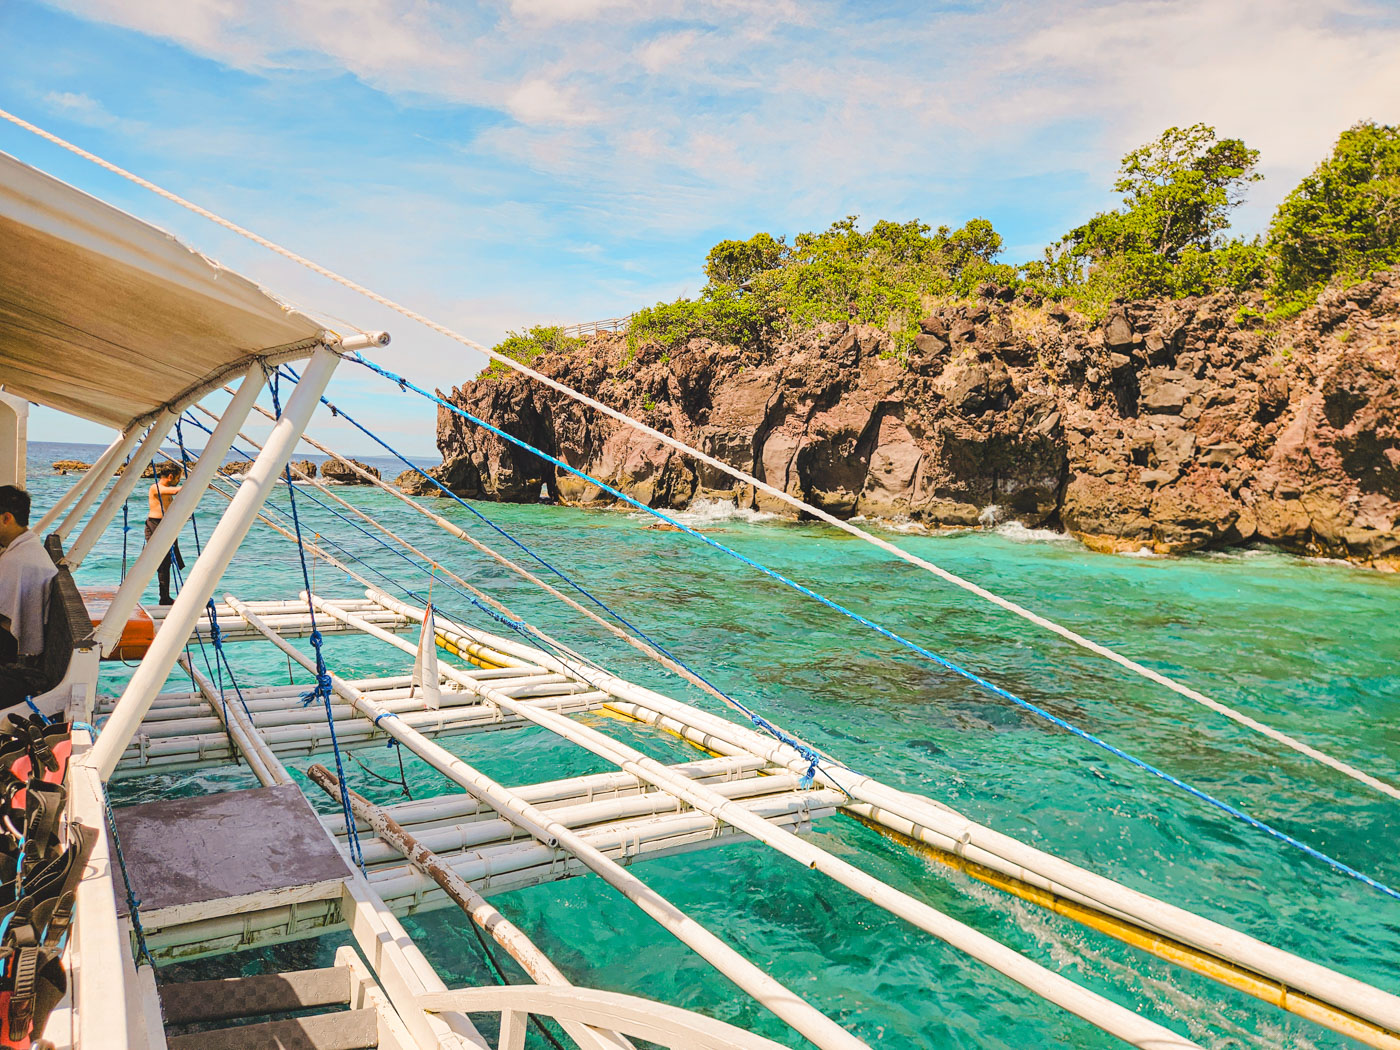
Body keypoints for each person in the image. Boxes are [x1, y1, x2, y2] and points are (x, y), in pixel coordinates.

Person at [0, 485, 58, 705]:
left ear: (6, 518)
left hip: (7, 651)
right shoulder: (25, 549)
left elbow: (5, 618)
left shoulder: (18, 561)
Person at [146, 462, 185, 605]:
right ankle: (162, 596)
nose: (178, 481)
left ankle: (165, 597)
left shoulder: (167, 489)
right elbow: (175, 491)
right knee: (159, 562)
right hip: (155, 525)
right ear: (170, 476)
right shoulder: (155, 487)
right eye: (178, 478)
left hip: (167, 526)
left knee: (167, 563)